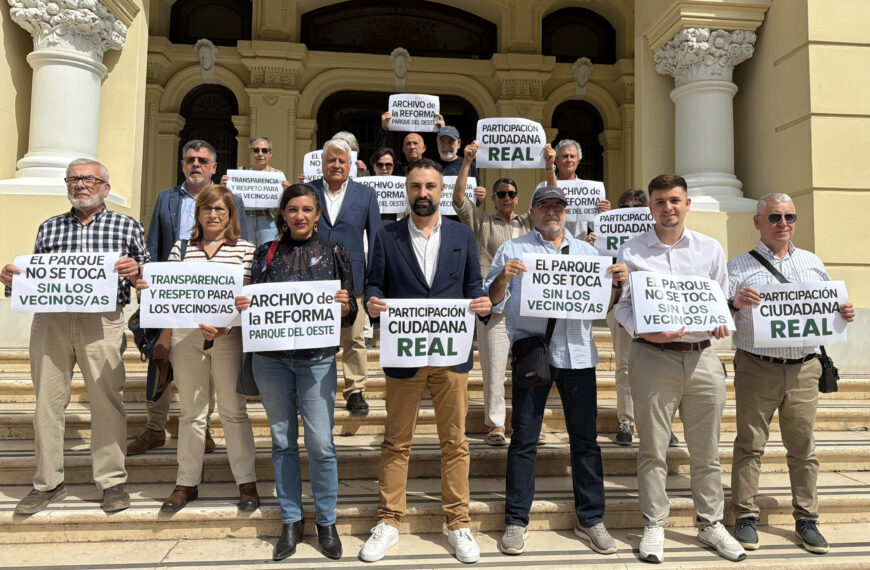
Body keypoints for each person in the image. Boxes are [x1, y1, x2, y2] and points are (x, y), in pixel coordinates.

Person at [361, 158, 492, 564]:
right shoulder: (387, 235)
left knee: (454, 442)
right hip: (405, 356)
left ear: (441, 190)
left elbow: (472, 285)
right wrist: (372, 302)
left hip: (451, 357)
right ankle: (388, 521)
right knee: (396, 442)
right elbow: (375, 282)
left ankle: (458, 523)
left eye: (430, 187)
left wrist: (483, 304)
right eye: (416, 186)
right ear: (407, 190)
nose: (423, 194)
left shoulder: (461, 234)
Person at [486, 185, 625, 556]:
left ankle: (591, 518)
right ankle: (516, 520)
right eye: (544, 206)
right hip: (535, 356)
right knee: (524, 440)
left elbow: (602, 308)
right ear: (531, 212)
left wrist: (616, 285)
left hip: (579, 355)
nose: (552, 212)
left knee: (585, 442)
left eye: (558, 207)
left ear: (566, 213)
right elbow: (492, 301)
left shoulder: (588, 253)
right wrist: (504, 277)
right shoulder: (513, 250)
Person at [3, 158, 148, 515]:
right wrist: (11, 280)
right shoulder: (49, 227)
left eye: (88, 179)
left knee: (106, 401)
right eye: (74, 179)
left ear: (105, 188)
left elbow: (147, 278)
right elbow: (35, 279)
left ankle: (112, 482)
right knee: (47, 405)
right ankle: (47, 483)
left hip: (102, 322)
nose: (80, 184)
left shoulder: (127, 225)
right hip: (51, 322)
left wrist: (137, 270)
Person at [614, 174, 745, 564]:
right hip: (652, 358)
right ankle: (655, 524)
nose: (667, 208)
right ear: (650, 207)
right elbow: (622, 306)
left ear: (686, 203)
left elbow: (720, 299)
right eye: (659, 201)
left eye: (674, 200)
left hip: (704, 358)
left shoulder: (710, 249)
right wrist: (645, 333)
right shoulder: (631, 250)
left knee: (707, 452)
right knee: (653, 449)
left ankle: (711, 524)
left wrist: (723, 319)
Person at [727, 193, 855, 554]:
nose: (783, 223)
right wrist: (734, 304)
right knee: (750, 445)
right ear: (758, 223)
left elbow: (827, 310)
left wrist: (842, 313)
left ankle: (807, 519)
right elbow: (718, 315)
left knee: (803, 448)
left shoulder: (813, 263)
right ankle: (745, 516)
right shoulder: (737, 267)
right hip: (756, 367)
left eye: (789, 217)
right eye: (774, 217)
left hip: (804, 369)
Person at [235, 184, 356, 561]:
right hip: (271, 360)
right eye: (293, 209)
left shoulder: (333, 251)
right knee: (283, 440)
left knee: (321, 443)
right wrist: (244, 302)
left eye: (307, 209)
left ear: (317, 214)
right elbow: (254, 304)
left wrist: (345, 304)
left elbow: (349, 311)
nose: (300, 216)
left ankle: (326, 521)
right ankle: (291, 520)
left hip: (316, 360)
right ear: (283, 214)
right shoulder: (264, 252)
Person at [137, 185, 259, 515]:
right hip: (186, 339)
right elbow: (169, 297)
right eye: (207, 209)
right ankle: (186, 482)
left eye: (220, 209)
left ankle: (246, 482)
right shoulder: (181, 248)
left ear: (231, 214)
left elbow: (249, 298)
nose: (213, 214)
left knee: (234, 412)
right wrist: (149, 291)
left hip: (229, 338)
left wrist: (226, 324)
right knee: (192, 413)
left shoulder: (246, 250)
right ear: (198, 214)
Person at [131, 139, 248, 455]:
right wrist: (151, 292)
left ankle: (204, 429)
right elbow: (154, 246)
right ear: (183, 165)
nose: (196, 164)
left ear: (214, 167)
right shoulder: (166, 199)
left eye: (202, 160)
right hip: (173, 298)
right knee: (160, 359)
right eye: (190, 160)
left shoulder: (231, 200)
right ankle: (154, 427)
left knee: (208, 367)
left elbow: (241, 242)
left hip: (214, 304)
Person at [453, 141, 533, 446]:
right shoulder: (481, 221)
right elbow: (458, 199)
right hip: (492, 304)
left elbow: (557, 202)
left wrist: (550, 168)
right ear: (495, 198)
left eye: (512, 194)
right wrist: (466, 163)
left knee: (529, 369)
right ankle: (496, 424)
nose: (507, 199)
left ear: (517, 198)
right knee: (494, 366)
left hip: (527, 307)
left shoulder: (529, 224)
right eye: (501, 194)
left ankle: (526, 421)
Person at [305, 138, 382, 414]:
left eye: (342, 161)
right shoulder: (307, 190)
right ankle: (314, 389)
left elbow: (375, 239)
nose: (336, 165)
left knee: (354, 338)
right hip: (313, 276)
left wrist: (374, 280)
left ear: (351, 165)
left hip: (354, 277)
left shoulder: (366, 195)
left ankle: (355, 391)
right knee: (315, 336)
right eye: (331, 160)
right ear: (323, 163)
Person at [585, 189, 658, 447]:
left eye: (636, 207)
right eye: (624, 207)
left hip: (653, 307)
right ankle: (626, 420)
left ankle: (660, 424)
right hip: (619, 306)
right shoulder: (604, 237)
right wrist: (593, 245)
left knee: (660, 369)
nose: (630, 211)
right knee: (625, 367)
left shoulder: (658, 239)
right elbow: (591, 270)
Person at [220, 136, 290, 246]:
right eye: (256, 150)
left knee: (268, 255)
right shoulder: (240, 172)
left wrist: (287, 191)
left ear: (270, 154)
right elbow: (227, 198)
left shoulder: (278, 175)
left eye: (264, 150)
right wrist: (224, 186)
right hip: (244, 219)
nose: (260, 154)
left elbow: (285, 202)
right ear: (251, 153)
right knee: (245, 253)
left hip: (269, 221)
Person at [540, 139, 610, 240]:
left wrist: (604, 214)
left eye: (573, 156)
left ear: (578, 161)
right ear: (556, 160)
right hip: (549, 246)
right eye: (565, 156)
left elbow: (595, 226)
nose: (569, 160)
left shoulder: (590, 190)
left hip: (578, 248)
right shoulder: (543, 187)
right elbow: (534, 220)